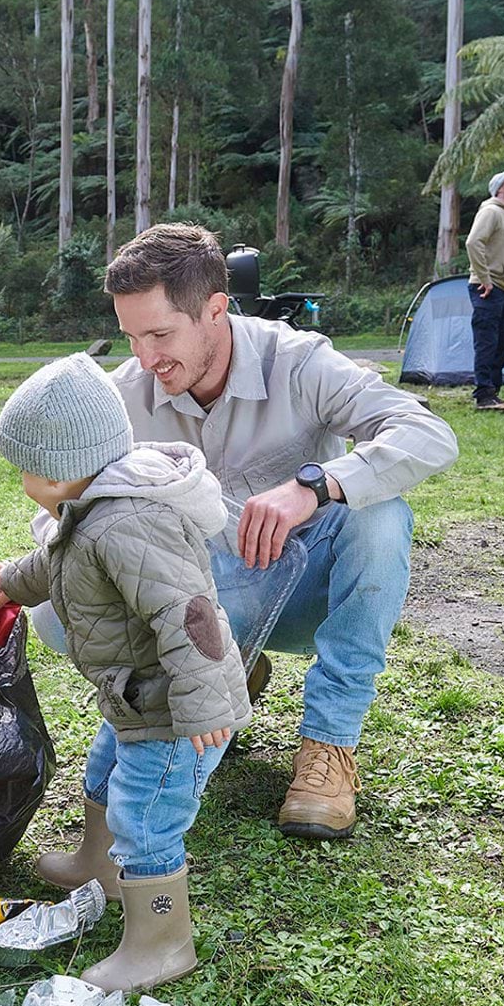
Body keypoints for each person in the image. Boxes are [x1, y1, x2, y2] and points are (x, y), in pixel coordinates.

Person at [91, 222, 458, 841]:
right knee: (67, 599)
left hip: (304, 591)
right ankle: (228, 667)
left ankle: (329, 747)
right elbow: (71, 508)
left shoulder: (299, 362)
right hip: (197, 607)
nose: (146, 359)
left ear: (215, 310)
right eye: (131, 337)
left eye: (160, 334)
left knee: (381, 515)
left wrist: (315, 484)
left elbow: (429, 435)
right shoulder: (123, 396)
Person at [0, 354, 250, 992]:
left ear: (57, 469)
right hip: (135, 698)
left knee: (147, 816)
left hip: (174, 710)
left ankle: (162, 943)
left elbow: (189, 614)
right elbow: (56, 563)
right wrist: (10, 582)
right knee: (104, 774)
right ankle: (97, 866)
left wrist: (206, 707)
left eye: (24, 467)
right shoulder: (89, 511)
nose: (21, 479)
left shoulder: (130, 521)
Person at [464, 170, 504, 408]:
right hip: (487, 288)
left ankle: (493, 390)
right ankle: (483, 393)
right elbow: (473, 242)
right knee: (487, 342)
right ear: (500, 189)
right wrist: (485, 278)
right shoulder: (491, 212)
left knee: (502, 342)